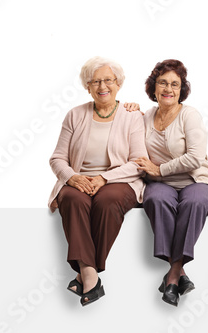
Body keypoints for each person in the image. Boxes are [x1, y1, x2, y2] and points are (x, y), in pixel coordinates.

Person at [48, 56, 147, 306]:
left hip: (118, 181)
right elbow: (57, 158)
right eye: (95, 81)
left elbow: (138, 162)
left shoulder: (132, 115)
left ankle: (85, 272)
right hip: (79, 180)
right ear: (87, 86)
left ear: (118, 83)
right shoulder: (75, 115)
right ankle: (91, 275)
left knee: (108, 200)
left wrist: (105, 178)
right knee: (71, 198)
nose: (102, 86)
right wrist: (72, 177)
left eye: (108, 80)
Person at [135, 59, 208, 307]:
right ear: (153, 87)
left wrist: (159, 169)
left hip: (195, 180)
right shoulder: (146, 116)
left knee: (196, 202)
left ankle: (173, 273)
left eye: (175, 84)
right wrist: (124, 108)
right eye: (162, 83)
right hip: (161, 184)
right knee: (155, 198)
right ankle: (179, 274)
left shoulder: (189, 115)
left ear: (182, 89)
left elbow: (194, 158)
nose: (168, 89)